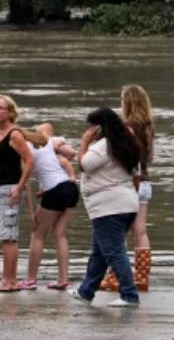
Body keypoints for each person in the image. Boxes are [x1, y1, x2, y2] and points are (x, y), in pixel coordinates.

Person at [68, 107, 141, 307]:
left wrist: (84, 141)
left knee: (114, 252)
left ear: (99, 127)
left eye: (91, 126)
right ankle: (86, 291)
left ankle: (129, 295)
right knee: (99, 252)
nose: (89, 130)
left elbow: (84, 164)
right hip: (126, 203)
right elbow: (136, 176)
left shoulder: (103, 146)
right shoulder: (127, 144)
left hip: (108, 207)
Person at [100, 84, 155, 292]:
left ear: (128, 102)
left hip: (130, 183)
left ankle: (115, 276)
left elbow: (123, 155)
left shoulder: (128, 125)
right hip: (145, 182)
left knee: (118, 231)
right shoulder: (148, 125)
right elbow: (148, 157)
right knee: (140, 231)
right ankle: (142, 277)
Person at [0, 94, 36, 292]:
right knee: (5, 235)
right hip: (1, 189)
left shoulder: (14, 134)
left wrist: (19, 187)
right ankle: (7, 279)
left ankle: (9, 281)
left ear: (11, 112)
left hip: (11, 189)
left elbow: (30, 161)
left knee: (8, 236)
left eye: (1, 108)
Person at [18, 123, 79, 291]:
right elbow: (70, 153)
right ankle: (63, 280)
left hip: (55, 189)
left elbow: (26, 184)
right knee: (59, 234)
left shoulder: (24, 150)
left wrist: (31, 212)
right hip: (71, 187)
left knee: (37, 234)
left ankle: (30, 280)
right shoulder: (47, 141)